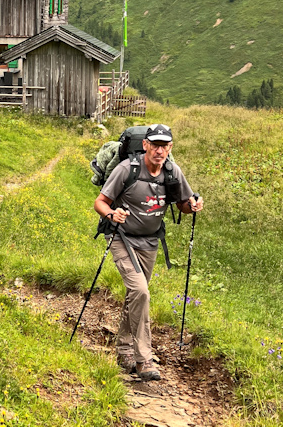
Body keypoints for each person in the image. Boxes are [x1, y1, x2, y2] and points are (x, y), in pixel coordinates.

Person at [93, 123, 203, 381]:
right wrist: (112, 213)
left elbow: (182, 205)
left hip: (150, 242)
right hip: (120, 237)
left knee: (136, 296)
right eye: (154, 145)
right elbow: (100, 202)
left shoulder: (172, 171)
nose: (159, 150)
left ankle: (123, 351)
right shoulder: (126, 169)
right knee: (141, 291)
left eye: (164, 146)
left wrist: (194, 204)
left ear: (170, 148)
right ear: (145, 145)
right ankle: (144, 360)